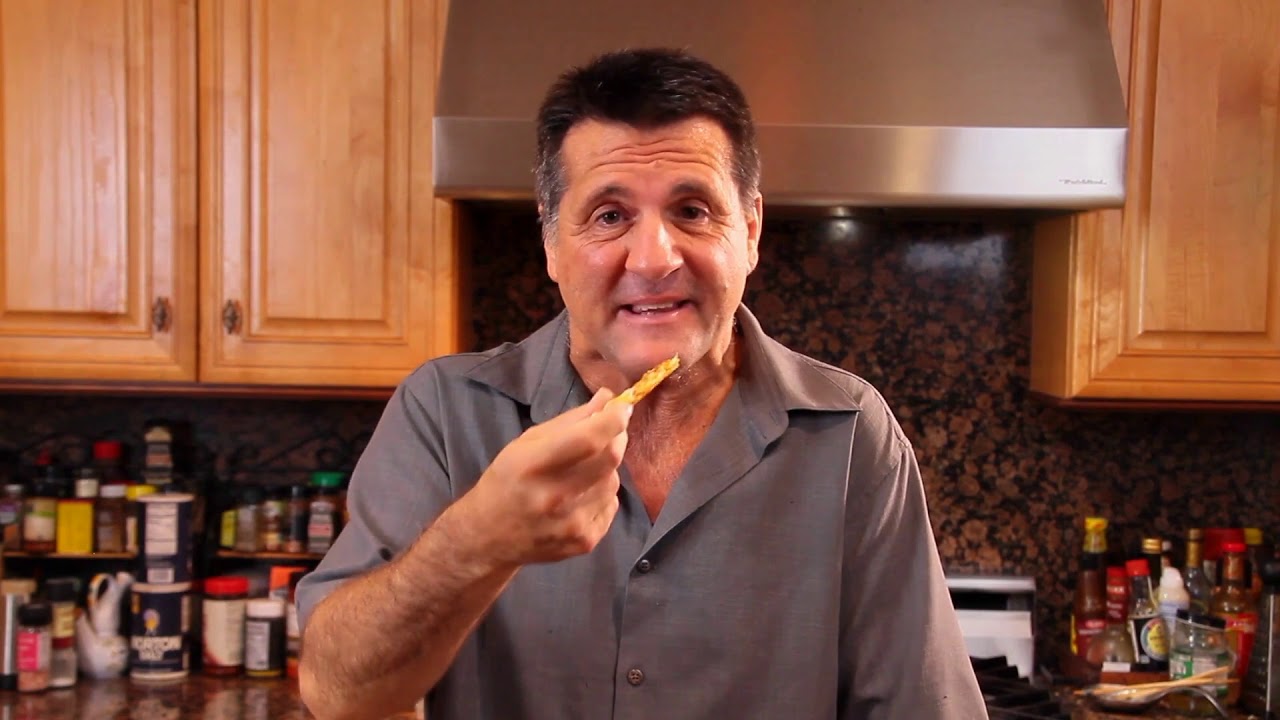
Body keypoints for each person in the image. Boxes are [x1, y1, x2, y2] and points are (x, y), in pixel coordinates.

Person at [295, 47, 986, 720]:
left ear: (749, 231)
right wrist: (477, 540)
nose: (654, 260)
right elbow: (337, 693)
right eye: (610, 215)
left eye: (692, 210)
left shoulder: (851, 433)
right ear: (551, 243)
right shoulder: (445, 412)